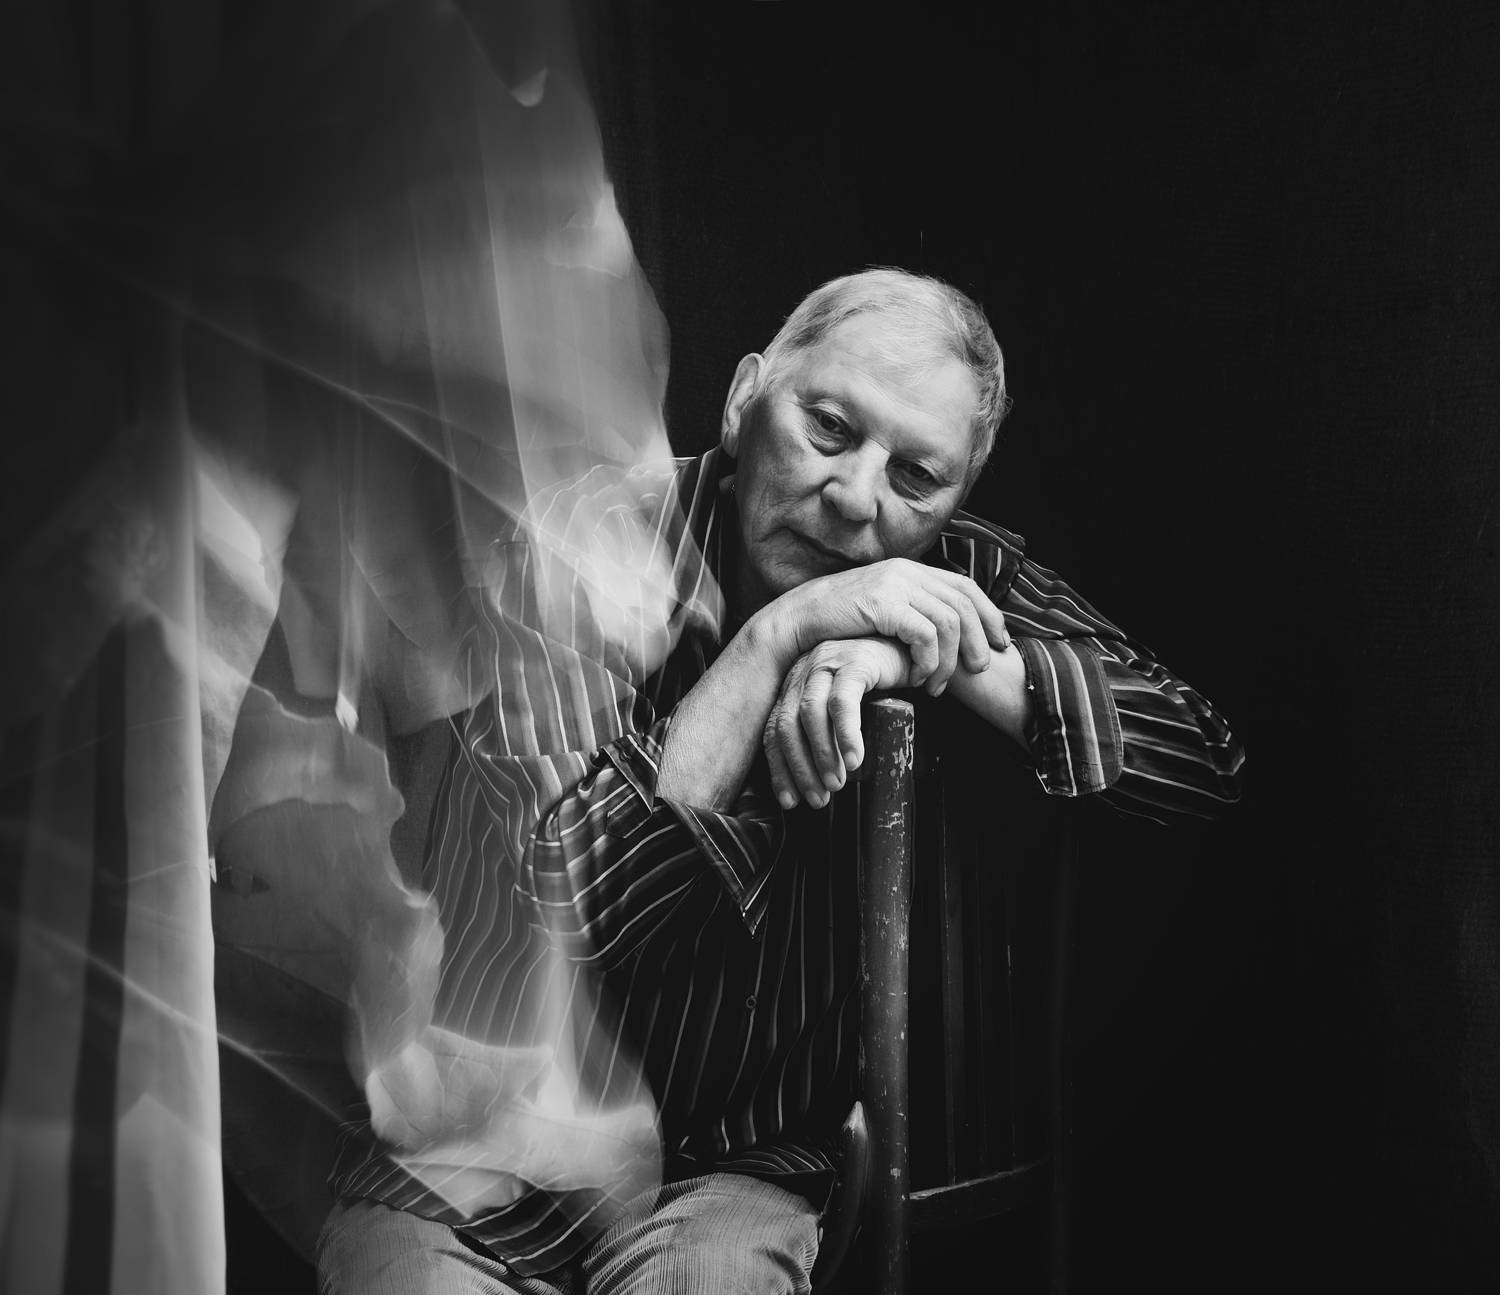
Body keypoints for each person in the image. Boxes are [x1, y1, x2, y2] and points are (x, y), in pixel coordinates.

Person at [316, 268, 1245, 1293]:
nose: (856, 498)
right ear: (743, 399)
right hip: (478, 1145)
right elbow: (570, 911)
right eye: (830, 429)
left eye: (915, 477)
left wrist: (935, 652)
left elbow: (1206, 760)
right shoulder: (586, 546)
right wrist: (775, 639)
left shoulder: (943, 583)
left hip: (733, 1164)